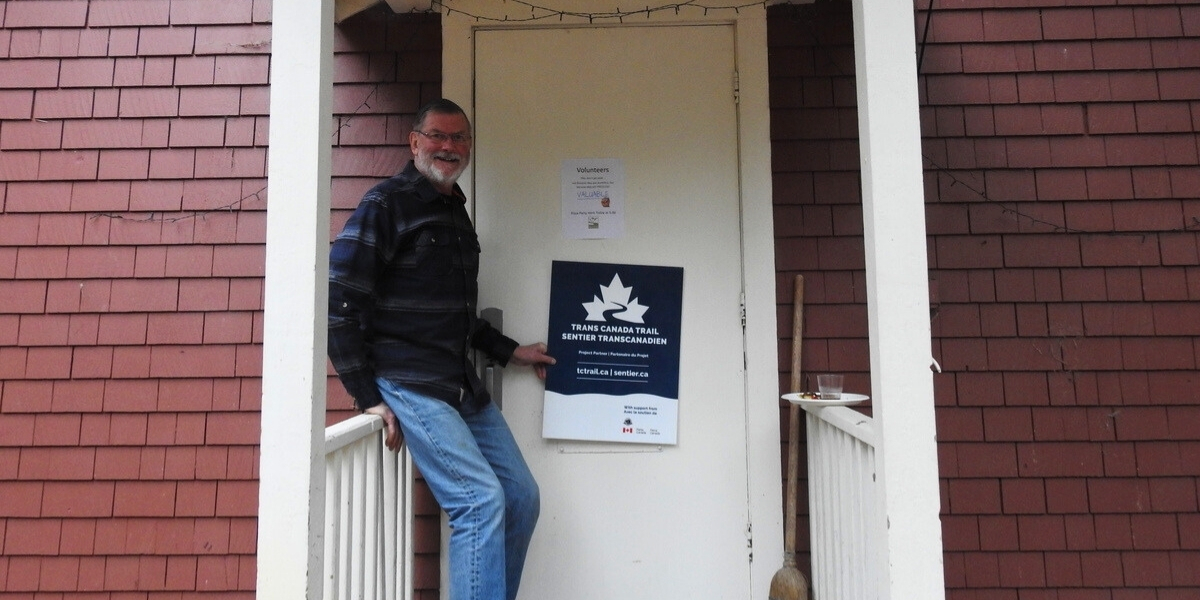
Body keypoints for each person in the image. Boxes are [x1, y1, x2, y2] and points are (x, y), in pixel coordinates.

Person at [328, 98, 555, 600]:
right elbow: (340, 299)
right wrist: (365, 393)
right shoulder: (385, 205)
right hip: (409, 378)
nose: (448, 147)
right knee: (478, 502)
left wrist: (511, 351)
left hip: (456, 381)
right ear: (414, 143)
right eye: (437, 136)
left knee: (520, 497)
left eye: (459, 138)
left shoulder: (454, 209)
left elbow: (452, 312)